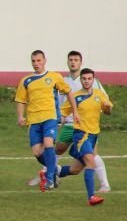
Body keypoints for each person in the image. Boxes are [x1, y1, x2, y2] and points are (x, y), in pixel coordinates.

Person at [32, 51, 112, 192]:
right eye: (70, 60)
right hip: (68, 125)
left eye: (76, 60)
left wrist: (101, 110)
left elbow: (104, 101)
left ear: (81, 62)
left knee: (91, 155)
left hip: (85, 127)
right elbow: (60, 103)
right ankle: (49, 174)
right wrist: (58, 119)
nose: (73, 62)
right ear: (67, 62)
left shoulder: (92, 81)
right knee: (56, 149)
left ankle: (104, 184)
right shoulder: (63, 80)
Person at [15, 50, 77, 192]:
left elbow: (68, 92)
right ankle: (54, 170)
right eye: (33, 61)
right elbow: (20, 100)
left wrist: (75, 112)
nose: (36, 64)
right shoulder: (26, 80)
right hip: (34, 120)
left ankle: (49, 179)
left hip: (50, 117)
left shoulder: (54, 76)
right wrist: (20, 116)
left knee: (48, 144)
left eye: (38, 61)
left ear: (44, 61)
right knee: (37, 152)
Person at [56, 69, 113, 206]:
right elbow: (63, 113)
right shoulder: (75, 97)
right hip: (81, 135)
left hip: (94, 136)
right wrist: (58, 125)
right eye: (84, 79)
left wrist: (106, 107)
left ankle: (51, 173)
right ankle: (91, 197)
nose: (87, 81)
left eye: (89, 79)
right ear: (81, 80)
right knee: (91, 163)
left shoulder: (99, 94)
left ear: (93, 80)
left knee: (75, 170)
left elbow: (108, 111)